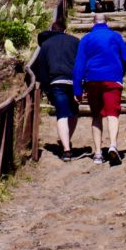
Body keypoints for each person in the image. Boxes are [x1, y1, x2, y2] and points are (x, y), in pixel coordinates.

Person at [73, 13, 126, 165]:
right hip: (112, 79)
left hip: (92, 80)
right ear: (107, 22)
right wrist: (120, 71)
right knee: (113, 114)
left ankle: (98, 153)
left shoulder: (85, 39)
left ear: (93, 22)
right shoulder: (115, 36)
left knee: (96, 115)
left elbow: (79, 65)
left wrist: (77, 89)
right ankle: (113, 145)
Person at [34, 19, 80, 161]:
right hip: (73, 81)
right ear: (65, 30)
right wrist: (81, 84)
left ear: (51, 30)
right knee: (73, 113)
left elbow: (42, 69)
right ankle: (66, 141)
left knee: (62, 115)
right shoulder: (75, 41)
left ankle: (66, 150)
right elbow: (81, 63)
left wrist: (47, 89)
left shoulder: (46, 45)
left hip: (56, 82)